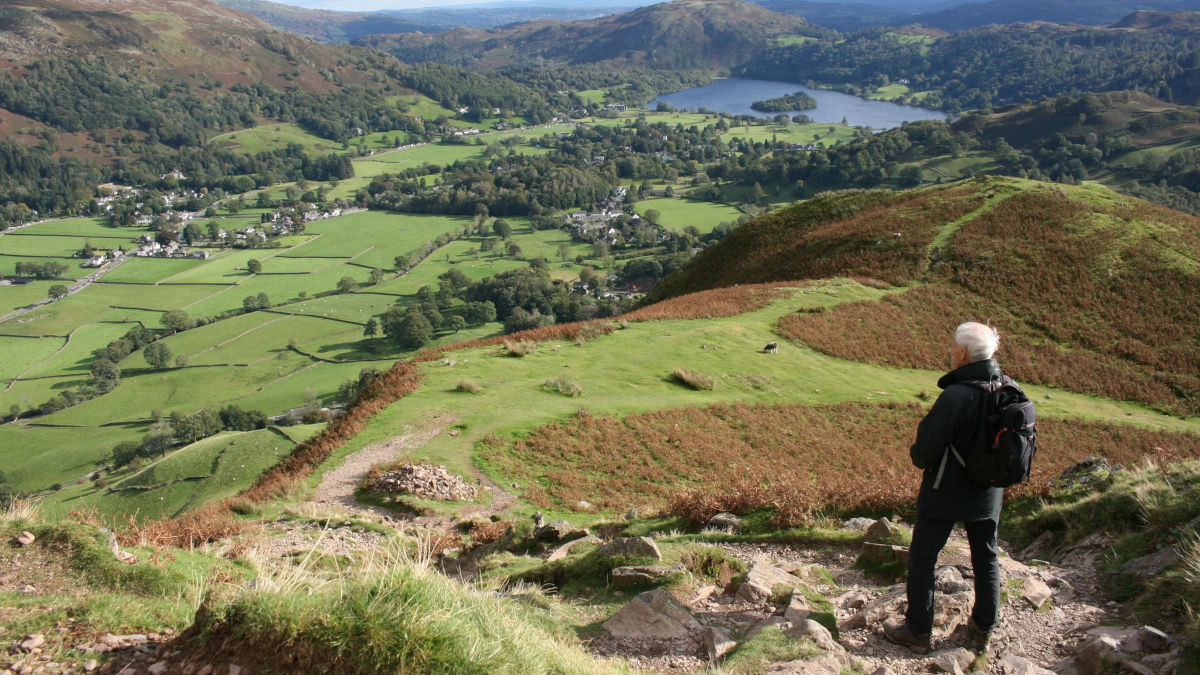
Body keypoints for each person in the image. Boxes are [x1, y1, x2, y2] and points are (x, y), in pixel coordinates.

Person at [884, 321, 1006, 654]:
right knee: (986, 557)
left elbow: (924, 453)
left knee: (923, 558)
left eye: (955, 347)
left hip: (946, 491)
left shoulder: (955, 396)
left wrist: (919, 453)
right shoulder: (1009, 390)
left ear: (963, 354)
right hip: (989, 493)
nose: (952, 352)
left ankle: (918, 631)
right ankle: (983, 630)